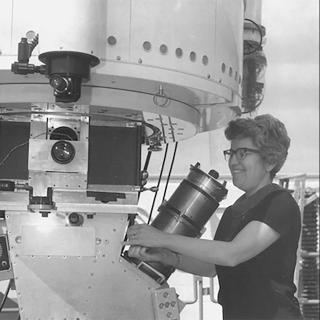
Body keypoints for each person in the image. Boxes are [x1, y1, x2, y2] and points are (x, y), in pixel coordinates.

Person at [125, 114, 303, 320]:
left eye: (243, 153)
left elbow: (231, 255)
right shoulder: (235, 210)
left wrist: (161, 238)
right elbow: (212, 267)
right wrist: (168, 257)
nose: (233, 162)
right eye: (232, 153)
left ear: (270, 161)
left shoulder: (278, 203)